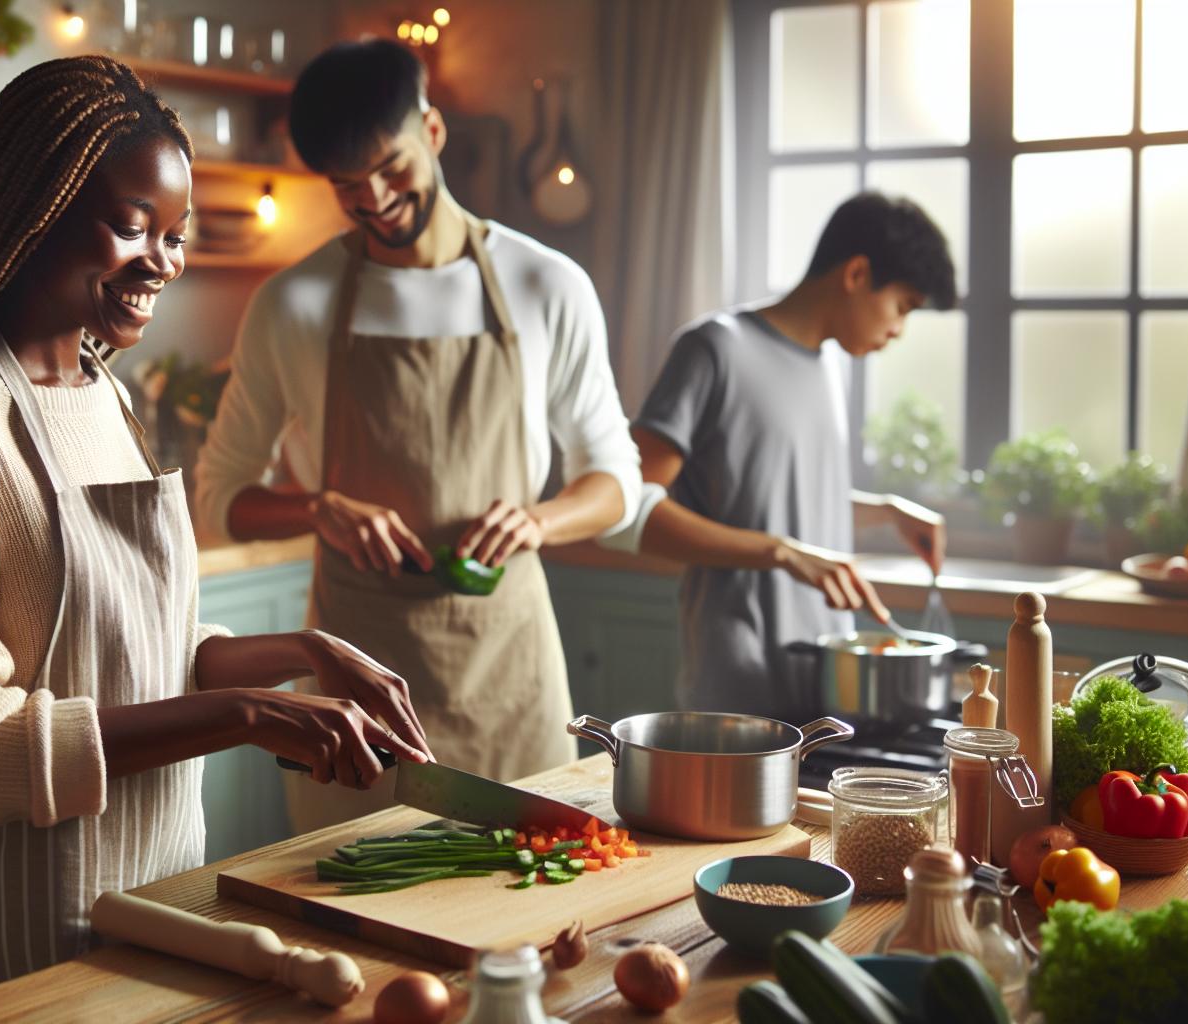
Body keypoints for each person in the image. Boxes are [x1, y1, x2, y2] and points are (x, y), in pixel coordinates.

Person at [0, 56, 433, 997]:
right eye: (135, 227)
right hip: (25, 919)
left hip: (166, 894)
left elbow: (138, 648)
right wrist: (246, 716)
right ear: (35, 211)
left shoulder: (106, 395)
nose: (165, 260)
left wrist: (301, 651)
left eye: (177, 234)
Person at [196, 40, 641, 832]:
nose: (374, 201)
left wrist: (539, 520)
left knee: (526, 916)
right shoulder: (292, 304)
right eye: (346, 187)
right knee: (349, 921)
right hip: (354, 696)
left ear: (432, 131)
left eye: (391, 170)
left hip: (510, 675)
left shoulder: (548, 285)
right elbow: (218, 497)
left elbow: (615, 481)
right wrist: (317, 508)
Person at [602, 192, 956, 717]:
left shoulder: (830, 368)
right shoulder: (714, 349)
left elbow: (775, 497)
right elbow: (625, 507)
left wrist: (883, 512)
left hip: (826, 688)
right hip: (736, 690)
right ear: (857, 274)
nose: (899, 329)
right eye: (902, 307)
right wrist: (780, 551)